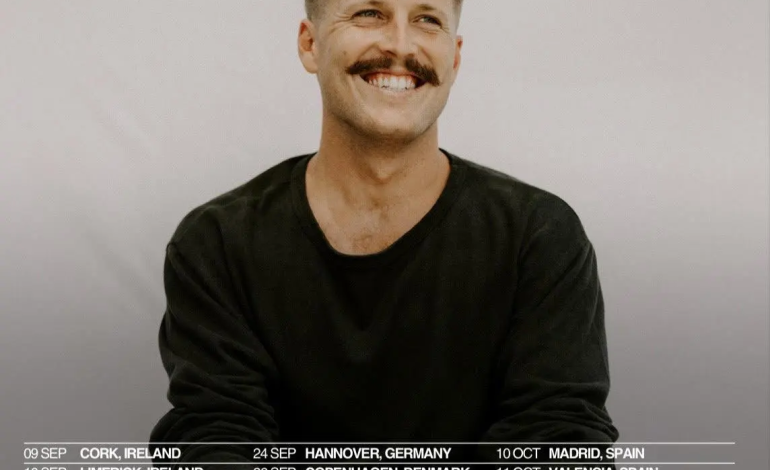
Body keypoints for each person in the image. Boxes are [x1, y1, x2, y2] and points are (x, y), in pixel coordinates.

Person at [150, 0, 619, 464]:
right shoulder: (216, 244)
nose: (401, 45)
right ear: (310, 45)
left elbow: (559, 439)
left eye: (427, 20)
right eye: (369, 13)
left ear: (454, 59)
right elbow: (216, 436)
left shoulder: (540, 238)